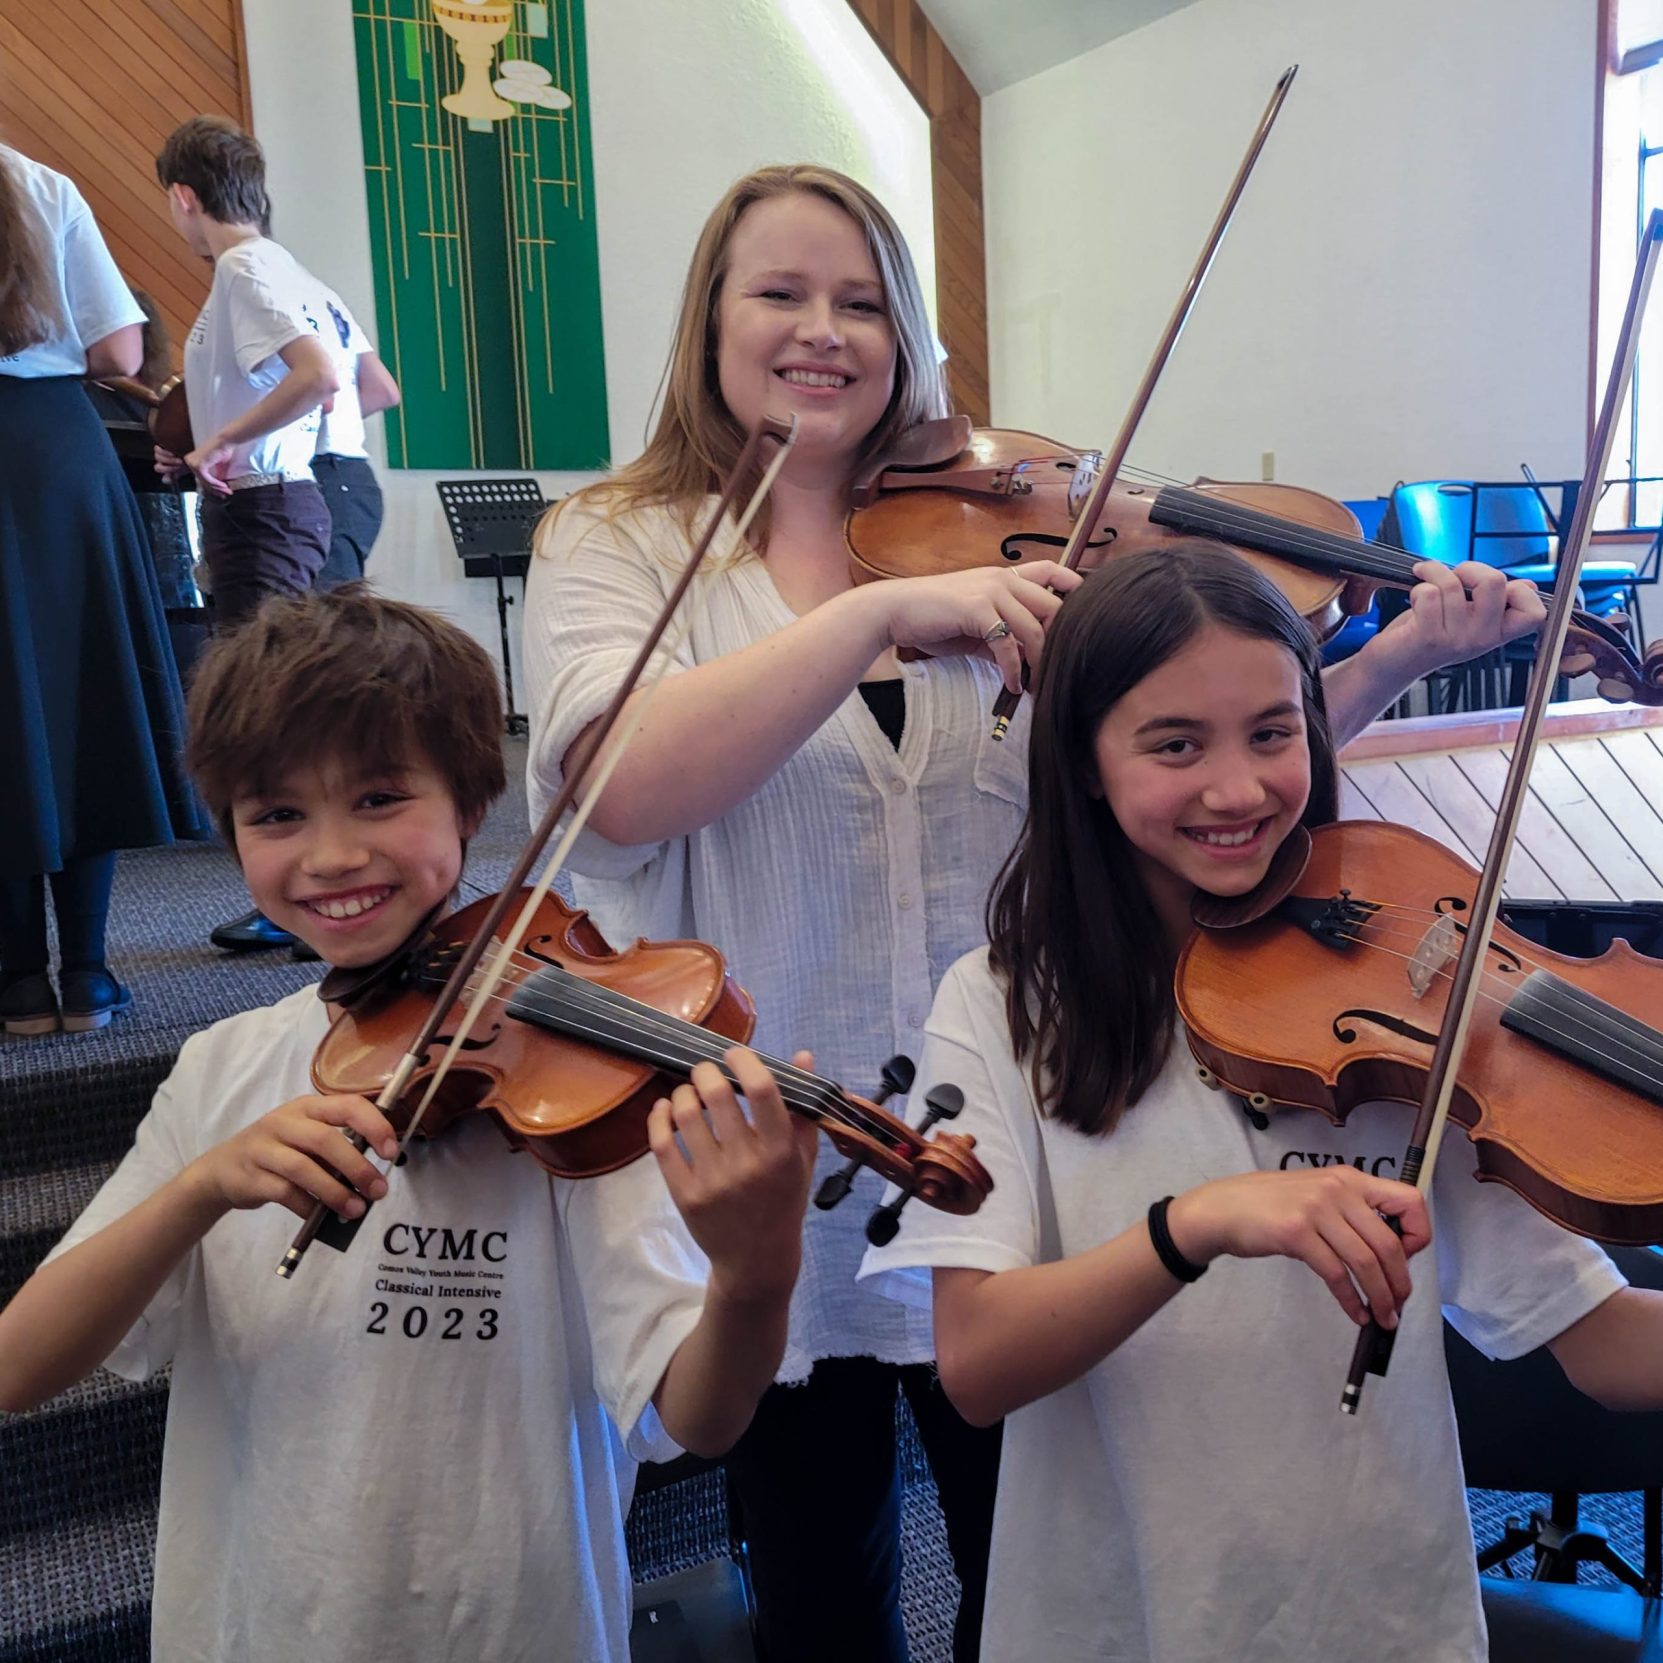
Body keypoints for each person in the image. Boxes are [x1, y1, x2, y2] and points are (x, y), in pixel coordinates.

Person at [521, 163, 1550, 1662]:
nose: (822, 330)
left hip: (1035, 1116)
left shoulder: (1018, 532)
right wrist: (878, 616)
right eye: (781, 293)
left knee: (1042, 1558)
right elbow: (619, 787)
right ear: (710, 318)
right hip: (775, 1126)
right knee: (816, 1584)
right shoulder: (621, 540)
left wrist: (1389, 658)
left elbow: (1192, 779)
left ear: (907, 333)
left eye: (863, 301)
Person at [858, 543, 1663, 1663]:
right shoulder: (997, 1005)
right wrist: (1196, 1225)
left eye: (1273, 733)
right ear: (1084, 758)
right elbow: (978, 1367)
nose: (1237, 789)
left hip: (1383, 1620)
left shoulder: (1405, 1009)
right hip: (1115, 1622)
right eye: (1175, 744)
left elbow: (1600, 1343)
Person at [0, 586, 820, 1663]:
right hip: (257, 1628)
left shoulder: (577, 1095)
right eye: (277, 815)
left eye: (380, 798)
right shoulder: (222, 1068)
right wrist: (201, 1187)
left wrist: (754, 1273)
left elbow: (700, 1416)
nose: (332, 855)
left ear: (473, 802)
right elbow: (18, 1366)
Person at [0, 142, 201, 1036]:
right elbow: (120, 345)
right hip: (57, 454)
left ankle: (16, 982)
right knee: (83, 705)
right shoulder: (41, 183)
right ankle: (86, 974)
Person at [154, 114, 340, 952]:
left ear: (183, 197)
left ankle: (298, 897)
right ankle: (298, 893)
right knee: (271, 709)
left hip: (264, 512)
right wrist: (204, 440)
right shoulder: (272, 264)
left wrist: (226, 440)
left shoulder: (242, 267)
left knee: (267, 714)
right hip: (262, 507)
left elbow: (318, 376)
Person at [310, 281, 398, 590]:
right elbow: (384, 391)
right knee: (334, 609)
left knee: (328, 614)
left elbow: (323, 395)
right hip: (353, 479)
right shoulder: (327, 298)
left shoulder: (278, 300)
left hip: (324, 473)